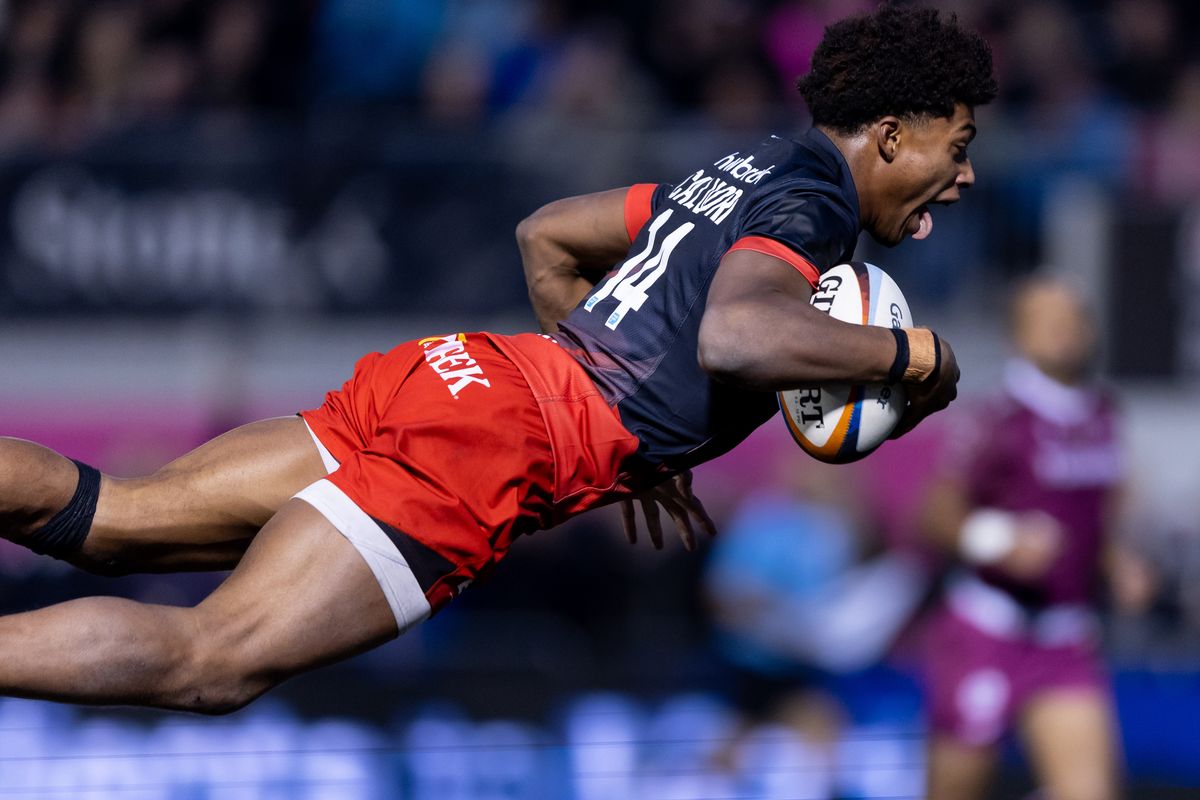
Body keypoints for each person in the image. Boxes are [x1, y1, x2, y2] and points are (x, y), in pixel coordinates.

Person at [0, 4, 994, 713]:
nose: (964, 176)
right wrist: (911, 353)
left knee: (108, 515)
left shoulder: (743, 166)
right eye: (956, 146)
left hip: (459, 373)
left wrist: (623, 406)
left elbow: (547, 234)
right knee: (209, 659)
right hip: (490, 438)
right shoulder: (813, 203)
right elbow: (737, 332)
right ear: (894, 135)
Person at [919, 277, 1153, 800]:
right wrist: (997, 541)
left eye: (1073, 318)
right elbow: (936, 513)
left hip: (1065, 635)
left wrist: (1119, 564)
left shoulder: (1102, 415)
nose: (1064, 331)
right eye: (1047, 320)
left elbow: (1098, 517)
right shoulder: (998, 420)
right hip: (990, 630)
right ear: (1018, 336)